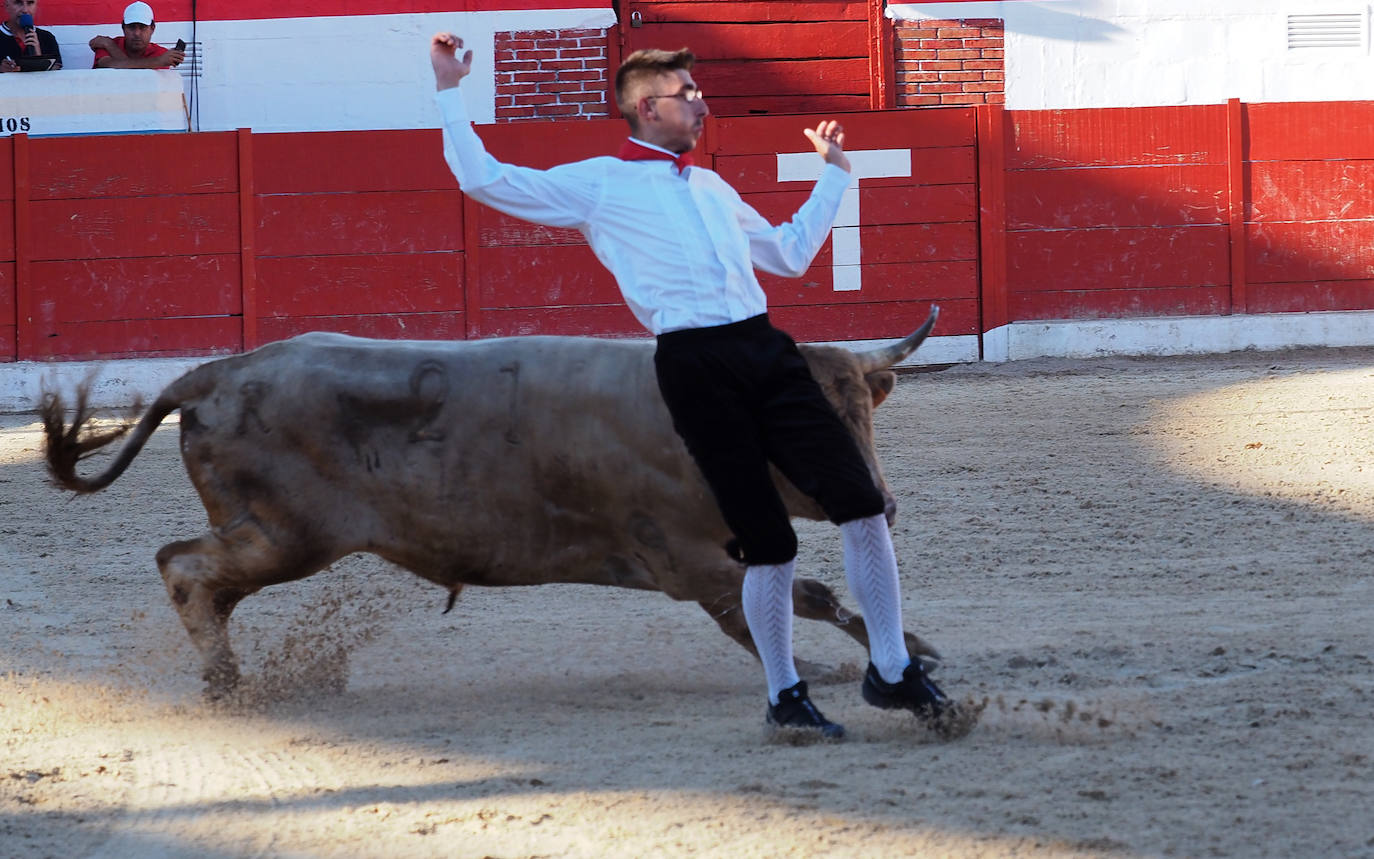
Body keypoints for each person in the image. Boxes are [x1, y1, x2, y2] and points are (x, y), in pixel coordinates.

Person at [429, 32, 955, 740]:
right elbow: (483, 178)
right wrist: (447, 88)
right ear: (648, 108)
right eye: (689, 95)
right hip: (693, 364)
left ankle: (890, 669)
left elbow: (790, 255)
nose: (702, 105)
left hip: (767, 350)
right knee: (767, 540)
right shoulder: (599, 183)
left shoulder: (709, 185)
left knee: (860, 504)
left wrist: (833, 175)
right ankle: (785, 695)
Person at [89, 1, 184, 69]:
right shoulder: (106, 45)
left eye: (142, 27)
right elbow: (107, 64)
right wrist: (157, 62)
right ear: (123, 27)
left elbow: (138, 78)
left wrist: (110, 46)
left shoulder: (160, 53)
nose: (137, 33)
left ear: (152, 28)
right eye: (131, 27)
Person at [0, 0, 62, 72]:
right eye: (18, 3)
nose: (25, 10)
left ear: (36, 6)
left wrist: (39, 58)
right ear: (7, 6)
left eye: (30, 3)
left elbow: (57, 72)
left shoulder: (47, 38)